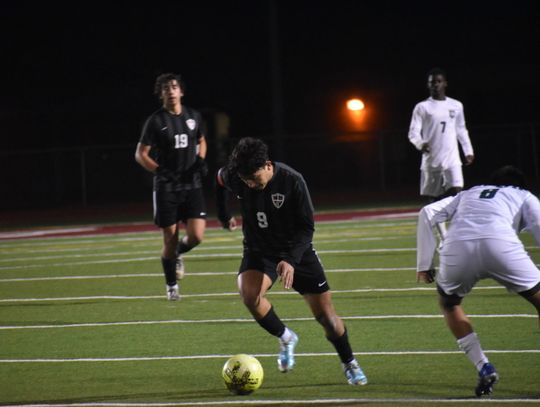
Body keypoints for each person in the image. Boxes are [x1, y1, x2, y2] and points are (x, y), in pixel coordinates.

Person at [215, 137, 368, 385]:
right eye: (246, 181)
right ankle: (286, 337)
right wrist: (224, 214)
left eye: (254, 179)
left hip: (297, 251)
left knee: (326, 317)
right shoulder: (237, 175)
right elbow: (220, 180)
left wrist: (289, 259)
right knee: (249, 295)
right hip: (259, 249)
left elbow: (307, 228)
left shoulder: (292, 181)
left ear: (267, 165)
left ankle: (349, 362)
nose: (251, 185)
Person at [416, 165, 540, 397]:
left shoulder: (469, 192)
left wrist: (424, 264)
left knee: (449, 304)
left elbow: (426, 213)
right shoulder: (523, 195)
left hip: (457, 248)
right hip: (500, 246)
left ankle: (483, 365)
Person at [135, 72, 208, 301]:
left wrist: (201, 161)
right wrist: (159, 170)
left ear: (181, 91)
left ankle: (177, 255)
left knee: (196, 236)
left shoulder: (193, 116)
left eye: (174, 87)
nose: (171, 91)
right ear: (161, 94)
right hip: (166, 188)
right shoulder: (155, 121)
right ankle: (171, 286)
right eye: (166, 88)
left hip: (192, 185)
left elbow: (201, 140)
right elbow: (140, 154)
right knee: (170, 238)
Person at [408, 67, 475, 202]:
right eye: (432, 82)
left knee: (457, 192)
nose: (436, 85)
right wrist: (420, 144)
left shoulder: (456, 105)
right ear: (428, 85)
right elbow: (413, 132)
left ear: (445, 83)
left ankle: (456, 223)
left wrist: (468, 150)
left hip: (452, 159)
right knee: (433, 201)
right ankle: (438, 223)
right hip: (432, 159)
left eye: (439, 81)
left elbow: (461, 129)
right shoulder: (422, 107)